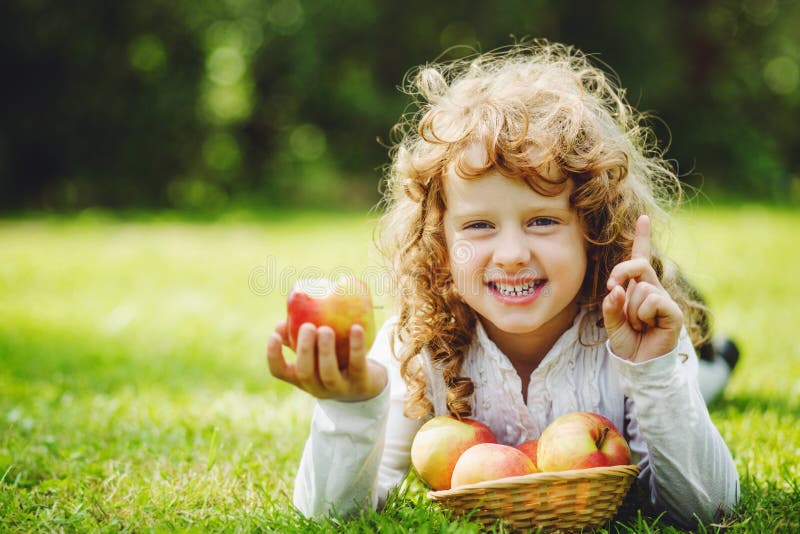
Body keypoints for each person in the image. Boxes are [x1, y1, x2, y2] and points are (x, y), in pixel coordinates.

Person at [266, 41, 739, 528]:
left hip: (651, 352)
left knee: (699, 381)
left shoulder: (631, 339)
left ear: (592, 230)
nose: (511, 254)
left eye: (542, 221)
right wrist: (350, 407)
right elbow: (327, 518)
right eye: (478, 226)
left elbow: (710, 510)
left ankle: (715, 357)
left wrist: (654, 371)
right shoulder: (418, 343)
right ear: (440, 243)